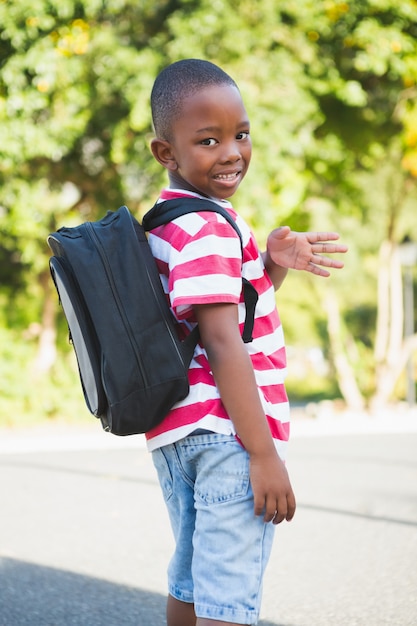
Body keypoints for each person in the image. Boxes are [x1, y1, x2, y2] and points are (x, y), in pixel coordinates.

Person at [145, 59, 347, 626]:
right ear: (167, 152)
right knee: (227, 602)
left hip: (179, 433)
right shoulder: (209, 225)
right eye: (208, 140)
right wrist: (262, 454)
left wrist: (269, 268)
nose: (231, 152)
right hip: (228, 435)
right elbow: (222, 340)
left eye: (241, 134)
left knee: (190, 583)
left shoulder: (168, 220)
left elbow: (222, 316)